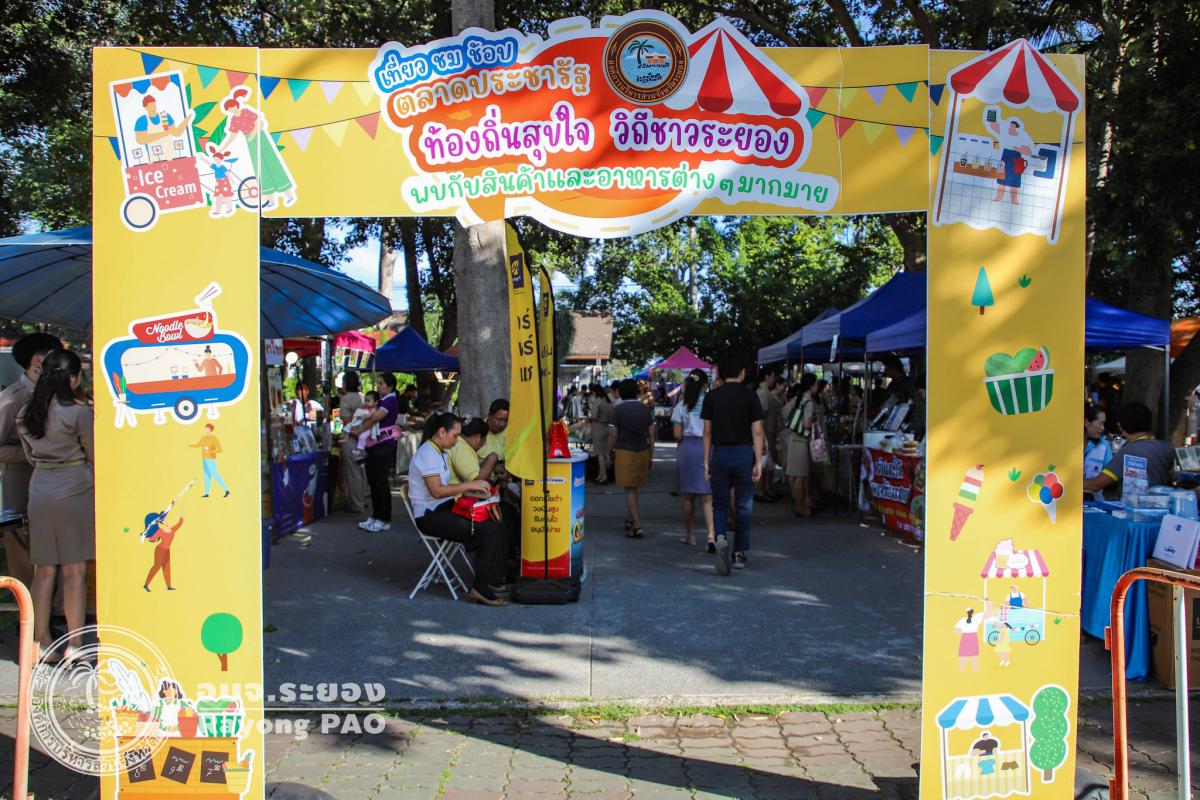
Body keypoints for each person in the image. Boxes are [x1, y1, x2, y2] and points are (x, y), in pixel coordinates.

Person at [16, 349, 93, 661]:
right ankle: (75, 645)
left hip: (40, 488)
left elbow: (29, 456)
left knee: (44, 571)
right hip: (75, 487)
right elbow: (94, 455)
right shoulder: (78, 412)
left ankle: (41, 642)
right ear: (72, 379)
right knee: (75, 571)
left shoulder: (26, 412)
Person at [407, 413, 508, 606]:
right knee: (488, 531)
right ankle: (481, 587)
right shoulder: (427, 454)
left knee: (493, 523)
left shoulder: (440, 451)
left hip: (442, 508)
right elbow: (437, 491)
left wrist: (473, 490)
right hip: (429, 516)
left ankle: (486, 581)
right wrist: (469, 485)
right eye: (455, 436)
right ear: (442, 432)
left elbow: (445, 490)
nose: (456, 441)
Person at [0, 332, 60, 588]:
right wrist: (31, 455)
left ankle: (53, 606)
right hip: (19, 483)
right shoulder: (13, 398)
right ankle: (28, 607)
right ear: (38, 360)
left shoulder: (55, 394)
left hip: (52, 484)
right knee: (22, 552)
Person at [701, 357, 765, 575]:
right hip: (743, 452)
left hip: (720, 452)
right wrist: (758, 461)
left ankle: (720, 537)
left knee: (719, 503)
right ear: (742, 373)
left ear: (720, 373)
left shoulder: (712, 396)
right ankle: (739, 552)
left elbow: (707, 432)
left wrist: (706, 461)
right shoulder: (750, 396)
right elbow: (757, 432)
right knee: (744, 504)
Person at [218, 86, 296, 208]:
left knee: (272, 164)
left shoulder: (246, 112)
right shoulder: (233, 120)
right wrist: (222, 149)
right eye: (228, 110)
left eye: (230, 108)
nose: (230, 111)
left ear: (235, 106)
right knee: (261, 169)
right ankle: (271, 200)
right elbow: (232, 136)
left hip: (260, 137)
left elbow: (259, 123)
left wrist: (253, 134)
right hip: (250, 142)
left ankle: (289, 195)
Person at [1083, 402, 1176, 496]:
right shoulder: (1166, 448)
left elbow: (1097, 484)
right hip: (1161, 502)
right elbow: (1172, 478)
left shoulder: (1128, 451)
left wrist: (1076, 483)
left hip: (1134, 504)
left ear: (1120, 427)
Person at [348, 372, 401, 532]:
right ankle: (376, 515)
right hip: (374, 444)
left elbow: (374, 418)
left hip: (384, 444)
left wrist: (359, 431)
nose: (378, 386)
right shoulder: (382, 399)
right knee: (373, 481)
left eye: (381, 383)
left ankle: (384, 519)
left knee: (380, 482)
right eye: (378, 383)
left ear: (390, 386)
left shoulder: (390, 400)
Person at [672, 369, 714, 549]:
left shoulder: (681, 405)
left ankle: (690, 535)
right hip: (708, 447)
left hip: (687, 448)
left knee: (687, 496)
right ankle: (711, 535)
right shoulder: (711, 403)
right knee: (708, 496)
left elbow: (677, 434)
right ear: (705, 385)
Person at [611, 379, 655, 538]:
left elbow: (613, 434)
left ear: (621, 392)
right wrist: (651, 455)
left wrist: (609, 451)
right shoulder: (645, 410)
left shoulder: (618, 409)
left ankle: (637, 526)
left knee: (629, 489)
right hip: (642, 451)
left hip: (625, 451)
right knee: (635, 488)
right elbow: (651, 435)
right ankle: (630, 519)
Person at [782, 376, 818, 517]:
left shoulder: (798, 398)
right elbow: (806, 424)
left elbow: (785, 412)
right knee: (800, 477)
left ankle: (800, 505)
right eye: (816, 384)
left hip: (792, 439)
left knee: (795, 476)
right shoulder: (809, 402)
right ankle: (800, 507)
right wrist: (815, 421)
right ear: (811, 385)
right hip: (801, 441)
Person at [987, 109, 1034, 205]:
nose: (1010, 127)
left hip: (1016, 159)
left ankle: (1014, 200)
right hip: (1005, 157)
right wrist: (992, 115)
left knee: (1014, 182)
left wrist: (1016, 148)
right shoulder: (1005, 134)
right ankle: (998, 198)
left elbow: (1029, 151)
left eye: (1012, 125)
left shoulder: (1022, 136)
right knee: (1001, 179)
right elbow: (993, 126)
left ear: (1016, 126)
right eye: (1009, 125)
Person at [338, 372, 367, 514]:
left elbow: (346, 420)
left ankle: (356, 504)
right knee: (361, 471)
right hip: (363, 439)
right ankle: (362, 499)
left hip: (350, 438)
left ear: (346, 383)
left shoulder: (345, 399)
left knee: (353, 472)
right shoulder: (362, 397)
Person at [754, 366, 784, 503]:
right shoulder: (763, 393)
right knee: (763, 463)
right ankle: (760, 491)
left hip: (769, 432)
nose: (774, 378)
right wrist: (763, 437)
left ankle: (765, 489)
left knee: (767, 463)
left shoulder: (765, 392)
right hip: (765, 432)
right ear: (767, 376)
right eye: (773, 376)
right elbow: (761, 417)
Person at [448, 418, 499, 485]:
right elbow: (477, 484)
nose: (483, 445)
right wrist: (492, 460)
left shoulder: (458, 443)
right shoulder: (463, 449)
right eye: (484, 441)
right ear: (477, 437)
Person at [143, 511, 183, 591]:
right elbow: (151, 539)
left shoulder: (172, 530)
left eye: (167, 519)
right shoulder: (160, 531)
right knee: (156, 566)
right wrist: (147, 536)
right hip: (160, 550)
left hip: (167, 550)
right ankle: (146, 584)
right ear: (162, 522)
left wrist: (181, 520)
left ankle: (169, 586)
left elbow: (178, 525)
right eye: (166, 519)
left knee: (166, 567)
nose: (168, 520)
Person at [188, 423, 229, 498]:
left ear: (210, 430)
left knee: (215, 475)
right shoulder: (203, 438)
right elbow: (198, 445)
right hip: (204, 460)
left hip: (211, 460)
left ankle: (226, 490)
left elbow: (220, 450)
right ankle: (207, 493)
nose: (205, 430)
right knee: (207, 477)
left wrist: (210, 451)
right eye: (205, 428)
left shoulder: (214, 438)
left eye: (207, 429)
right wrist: (189, 445)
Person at [587, 383, 615, 484]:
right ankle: (601, 475)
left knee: (599, 454)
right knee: (605, 452)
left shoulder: (597, 401)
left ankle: (603, 476)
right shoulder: (608, 401)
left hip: (598, 428)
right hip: (607, 427)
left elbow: (594, 416)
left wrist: (589, 419)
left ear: (594, 392)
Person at [1083, 405, 1113, 481]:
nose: (1103, 428)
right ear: (1086, 422)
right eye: (1100, 423)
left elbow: (1109, 476)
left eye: (1103, 424)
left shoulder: (1104, 445)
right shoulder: (1071, 444)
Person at [349, 392, 381, 459]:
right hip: (363, 426)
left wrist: (363, 416)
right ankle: (361, 451)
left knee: (362, 436)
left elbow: (368, 416)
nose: (366, 403)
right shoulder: (366, 408)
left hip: (369, 428)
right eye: (365, 401)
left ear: (376, 402)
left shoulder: (374, 409)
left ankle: (360, 450)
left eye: (368, 401)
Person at [478, 399, 510, 465]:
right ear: (489, 415)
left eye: (506, 420)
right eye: (499, 419)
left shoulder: (512, 433)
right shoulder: (477, 432)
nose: (502, 424)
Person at [955, 605, 984, 672]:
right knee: (973, 655)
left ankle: (962, 668)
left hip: (965, 637)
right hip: (973, 637)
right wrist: (988, 603)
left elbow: (957, 631)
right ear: (973, 612)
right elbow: (987, 613)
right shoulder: (977, 618)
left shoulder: (962, 620)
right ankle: (975, 668)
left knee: (963, 655)